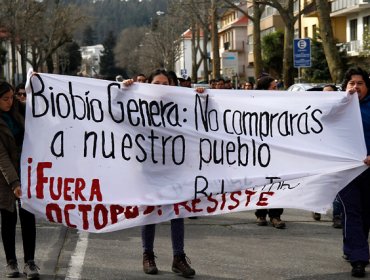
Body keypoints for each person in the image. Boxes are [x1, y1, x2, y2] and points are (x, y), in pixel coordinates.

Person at [123, 69, 196, 278]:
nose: (162, 86)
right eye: (157, 83)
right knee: (149, 212)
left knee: (177, 213)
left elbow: (207, 116)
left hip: (176, 167)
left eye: (166, 83)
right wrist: (124, 91)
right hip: (148, 168)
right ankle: (148, 255)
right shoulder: (140, 105)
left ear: (173, 85)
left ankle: (178, 258)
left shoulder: (184, 105)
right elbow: (116, 113)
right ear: (149, 84)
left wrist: (201, 95)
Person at [0, 81, 40, 279]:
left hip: (27, 171)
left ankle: (30, 262)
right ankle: (11, 262)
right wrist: (15, 183)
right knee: (8, 219)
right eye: (5, 99)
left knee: (28, 217)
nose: (9, 102)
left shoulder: (21, 110)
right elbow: (2, 157)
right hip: (4, 177)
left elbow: (44, 111)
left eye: (11, 97)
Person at [337, 67, 370, 278]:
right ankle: (358, 259)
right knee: (352, 212)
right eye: (351, 83)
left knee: (366, 214)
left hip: (368, 169)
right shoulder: (336, 107)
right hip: (345, 172)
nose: (355, 87)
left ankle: (354, 248)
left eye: (359, 83)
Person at [254, 75, 285, 229]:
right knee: (261, 182)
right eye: (273, 87)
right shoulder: (251, 105)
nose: (276, 90)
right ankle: (260, 214)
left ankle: (275, 215)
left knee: (277, 182)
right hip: (259, 151)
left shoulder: (281, 103)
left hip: (278, 150)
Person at [312, 83, 343, 228]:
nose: (327, 94)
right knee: (321, 183)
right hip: (320, 152)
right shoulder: (316, 109)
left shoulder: (343, 109)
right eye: (325, 92)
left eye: (330, 92)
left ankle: (337, 215)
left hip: (338, 152)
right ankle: (316, 207)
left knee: (337, 185)